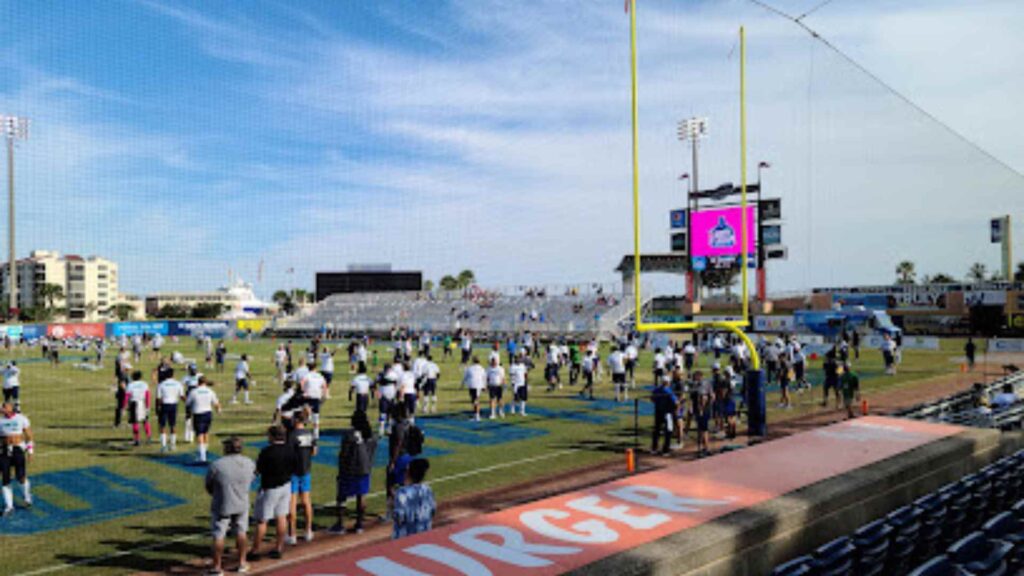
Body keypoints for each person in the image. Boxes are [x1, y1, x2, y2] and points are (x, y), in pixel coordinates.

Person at [205, 436, 255, 575]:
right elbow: (252, 478)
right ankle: (242, 562)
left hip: (223, 503)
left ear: (227, 448)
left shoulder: (217, 465)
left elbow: (209, 485)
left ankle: (217, 567)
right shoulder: (249, 463)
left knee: (219, 535)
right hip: (242, 503)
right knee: (241, 532)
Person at [331, 410, 378, 534]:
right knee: (361, 495)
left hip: (350, 469)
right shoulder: (371, 435)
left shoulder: (349, 434)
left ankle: (340, 524)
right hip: (365, 469)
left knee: (342, 497)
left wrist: (341, 469)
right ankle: (359, 524)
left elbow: (344, 454)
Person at [252, 425, 294, 560]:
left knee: (262, 520)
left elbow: (258, 470)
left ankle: (255, 550)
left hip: (270, 487)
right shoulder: (290, 450)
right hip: (286, 485)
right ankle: (279, 547)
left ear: (273, 436)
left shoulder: (266, 452)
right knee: (281, 517)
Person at [287, 412, 317, 545]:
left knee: (292, 503)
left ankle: (292, 534)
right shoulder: (310, 434)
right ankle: (308, 530)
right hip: (306, 470)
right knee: (306, 501)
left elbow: (288, 454)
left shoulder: (292, 435)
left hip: (293, 471)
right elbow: (314, 451)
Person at [0, 402, 33, 515]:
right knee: (5, 479)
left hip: (18, 450)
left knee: (21, 476)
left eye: (4, 406)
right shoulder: (0, 421)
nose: (2, 408)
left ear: (11, 408)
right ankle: (9, 507)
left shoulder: (21, 419)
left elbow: (29, 436)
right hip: (4, 451)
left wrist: (30, 450)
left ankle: (27, 497)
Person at [393, 458, 435, 540]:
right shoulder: (427, 489)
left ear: (408, 473)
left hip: (405, 539)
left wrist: (392, 507)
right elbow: (432, 511)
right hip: (425, 536)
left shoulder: (402, 493)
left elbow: (399, 518)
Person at [187, 376, 222, 463]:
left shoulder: (194, 391)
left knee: (199, 434)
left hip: (198, 413)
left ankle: (202, 456)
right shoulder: (210, 391)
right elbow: (216, 403)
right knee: (206, 433)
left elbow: (188, 403)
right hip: (208, 413)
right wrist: (219, 410)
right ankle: (205, 452)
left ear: (198, 382)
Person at [156, 368, 185, 453]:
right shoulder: (178, 384)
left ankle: (164, 445)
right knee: (173, 425)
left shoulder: (161, 384)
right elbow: (182, 396)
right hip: (174, 405)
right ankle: (173, 444)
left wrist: (157, 407)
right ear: (173, 375)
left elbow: (158, 398)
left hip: (164, 405)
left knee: (162, 425)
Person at [650, 376, 677, 456]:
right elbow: (675, 402)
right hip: (667, 413)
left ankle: (654, 448)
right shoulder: (668, 391)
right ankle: (666, 450)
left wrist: (658, 403)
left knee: (657, 430)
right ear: (668, 382)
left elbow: (652, 398)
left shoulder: (656, 389)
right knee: (669, 430)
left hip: (658, 412)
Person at [300, 362, 329, 438]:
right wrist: (324, 395)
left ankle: (307, 419)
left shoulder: (307, 375)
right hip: (317, 396)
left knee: (303, 412)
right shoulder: (320, 376)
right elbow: (325, 386)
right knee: (316, 416)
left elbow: (302, 382)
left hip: (308, 396)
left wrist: (303, 391)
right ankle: (316, 434)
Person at [126, 371, 152, 446]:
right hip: (142, 403)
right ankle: (149, 436)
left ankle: (137, 439)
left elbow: (127, 395)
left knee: (135, 422)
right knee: (145, 421)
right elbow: (147, 395)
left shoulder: (130, 385)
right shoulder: (144, 384)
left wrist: (125, 405)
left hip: (134, 403)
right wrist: (147, 405)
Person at [463, 356, 486, 421]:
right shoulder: (481, 368)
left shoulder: (470, 368)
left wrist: (462, 385)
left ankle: (477, 415)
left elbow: (465, 377)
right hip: (477, 385)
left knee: (475, 400)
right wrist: (484, 386)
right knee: (474, 400)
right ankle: (476, 414)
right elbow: (484, 377)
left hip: (473, 385)